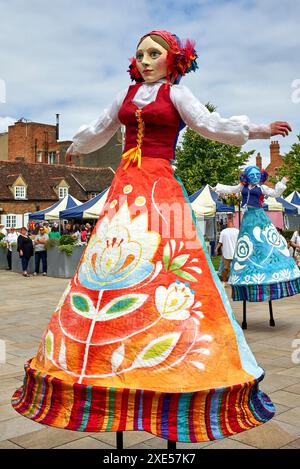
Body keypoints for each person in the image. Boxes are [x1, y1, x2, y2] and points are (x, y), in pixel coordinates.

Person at [12, 29, 293, 443]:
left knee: (169, 259)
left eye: (154, 53)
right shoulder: (126, 95)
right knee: (116, 258)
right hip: (126, 186)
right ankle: (107, 343)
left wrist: (259, 130)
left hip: (160, 183)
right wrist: (77, 145)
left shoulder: (177, 95)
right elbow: (101, 127)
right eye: (140, 54)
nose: (144, 60)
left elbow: (210, 124)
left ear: (172, 59)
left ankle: (174, 342)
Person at [215, 167, 300, 301]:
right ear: (247, 177)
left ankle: (272, 268)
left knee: (264, 240)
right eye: (252, 175)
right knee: (248, 242)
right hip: (248, 217)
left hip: (259, 216)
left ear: (260, 176)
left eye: (257, 175)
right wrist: (218, 187)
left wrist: (283, 181)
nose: (255, 177)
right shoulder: (242, 187)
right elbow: (232, 189)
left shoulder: (262, 188)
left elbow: (276, 193)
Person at [216, 215, 239, 284]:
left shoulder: (223, 231)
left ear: (227, 223)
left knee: (225, 268)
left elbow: (220, 242)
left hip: (227, 253)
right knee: (235, 268)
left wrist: (216, 249)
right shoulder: (237, 231)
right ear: (233, 223)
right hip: (235, 253)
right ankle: (234, 281)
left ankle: (224, 282)